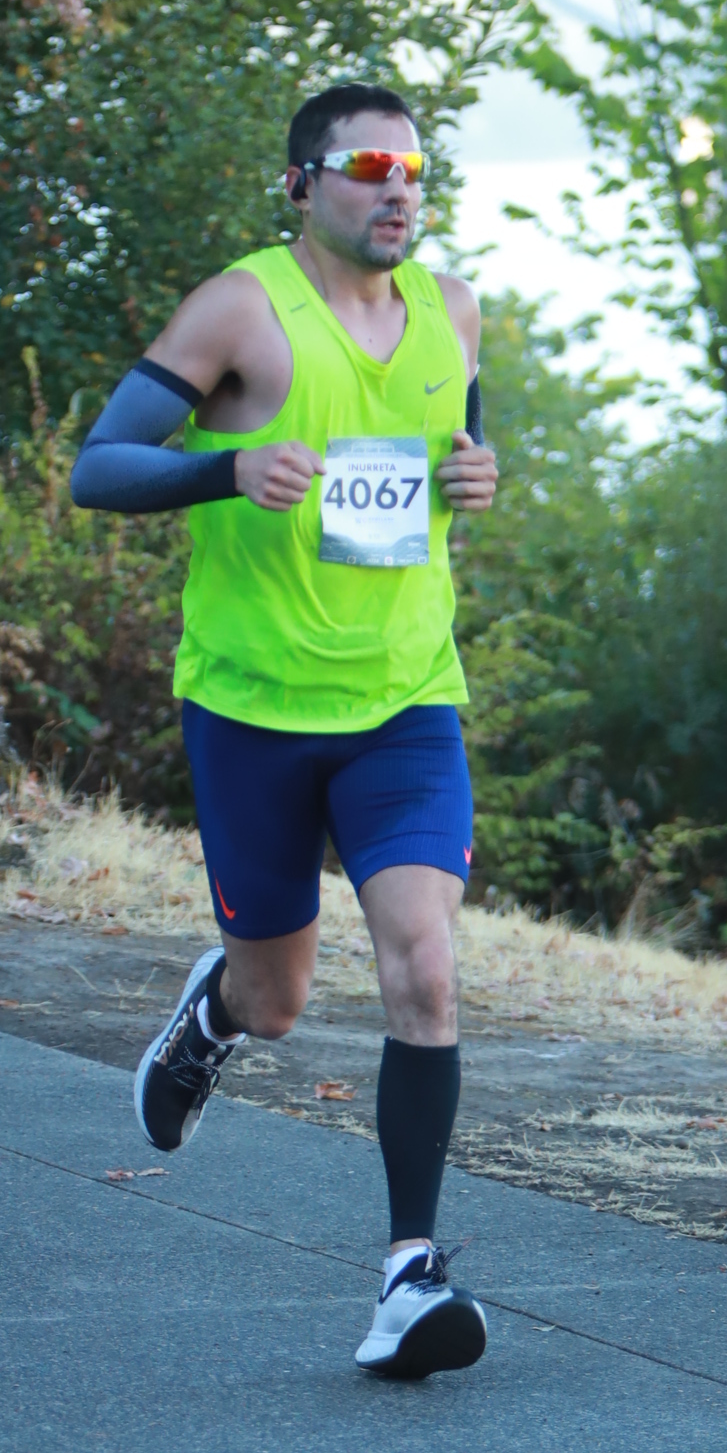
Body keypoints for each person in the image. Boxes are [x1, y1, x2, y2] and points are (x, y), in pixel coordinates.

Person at [70, 82, 500, 1379]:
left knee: (424, 968)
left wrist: (475, 471)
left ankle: (410, 1276)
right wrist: (226, 467)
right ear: (303, 185)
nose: (397, 190)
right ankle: (210, 1020)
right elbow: (99, 464)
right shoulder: (241, 310)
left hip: (404, 702)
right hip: (253, 708)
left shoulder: (453, 310)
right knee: (276, 1001)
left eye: (414, 171)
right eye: (368, 168)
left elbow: (458, 444)